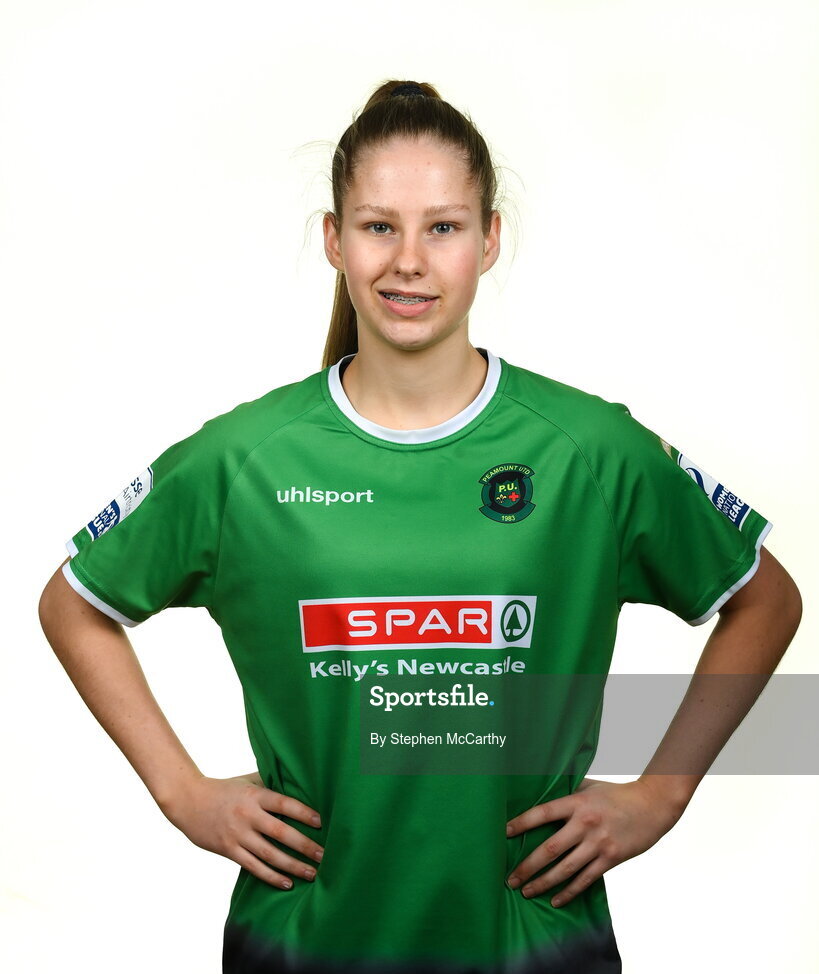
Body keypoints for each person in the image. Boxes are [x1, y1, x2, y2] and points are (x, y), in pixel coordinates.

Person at [38, 79, 801, 974]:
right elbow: (74, 603)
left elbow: (766, 600)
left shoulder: (589, 451)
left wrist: (661, 793)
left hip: (532, 945)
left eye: (441, 227)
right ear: (334, 239)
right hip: (305, 942)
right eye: (377, 226)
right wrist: (181, 793)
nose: (408, 260)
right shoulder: (246, 458)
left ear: (488, 240)